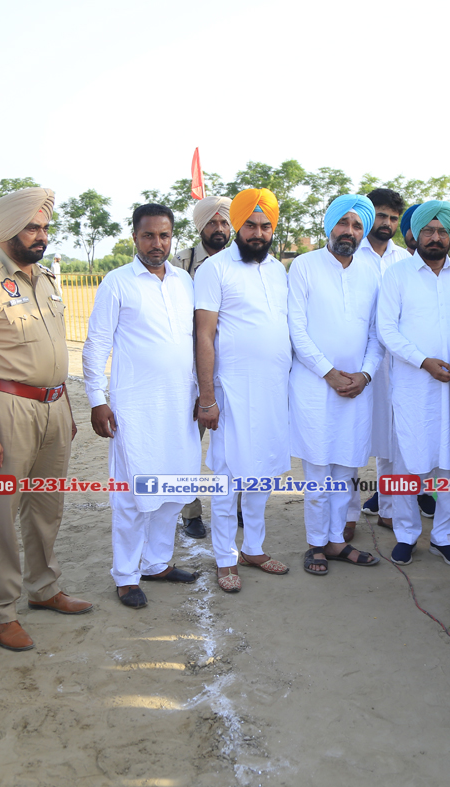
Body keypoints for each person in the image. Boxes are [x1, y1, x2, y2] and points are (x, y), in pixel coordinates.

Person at [0, 187, 93, 652]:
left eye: (45, 228)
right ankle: (1, 611)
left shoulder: (48, 278)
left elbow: (54, 353)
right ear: (7, 231)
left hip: (55, 405)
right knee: (1, 513)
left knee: (46, 506)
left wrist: (66, 409)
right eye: (32, 228)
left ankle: (44, 587)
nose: (42, 236)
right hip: (7, 408)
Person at [83, 203, 202, 609]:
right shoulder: (117, 282)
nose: (157, 243)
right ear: (134, 237)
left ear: (172, 237)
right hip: (135, 410)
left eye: (164, 235)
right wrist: (98, 400)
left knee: (173, 490)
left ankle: (156, 564)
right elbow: (97, 344)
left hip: (179, 405)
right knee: (133, 496)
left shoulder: (185, 281)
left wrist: (202, 393)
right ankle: (126, 576)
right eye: (148, 235)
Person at [377, 201, 450, 567]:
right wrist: (423, 361)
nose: (435, 237)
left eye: (442, 231)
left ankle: (443, 537)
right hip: (414, 387)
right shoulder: (397, 275)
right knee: (408, 461)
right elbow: (386, 329)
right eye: (428, 231)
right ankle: (406, 535)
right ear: (415, 234)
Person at [194, 188, 292, 592]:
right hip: (231, 393)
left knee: (262, 473)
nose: (258, 233)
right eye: (250, 225)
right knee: (228, 476)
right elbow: (203, 335)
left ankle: (253, 548)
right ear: (237, 225)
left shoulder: (278, 270)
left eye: (265, 226)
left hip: (273, 393)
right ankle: (224, 558)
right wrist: (207, 398)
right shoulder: (214, 269)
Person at [289, 194, 384, 574]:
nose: (349, 231)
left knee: (346, 470)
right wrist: (328, 372)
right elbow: (296, 329)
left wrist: (365, 374)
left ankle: (336, 542)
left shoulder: (372, 272)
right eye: (343, 223)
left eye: (357, 225)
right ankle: (316, 543)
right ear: (329, 225)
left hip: (357, 388)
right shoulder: (304, 266)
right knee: (317, 469)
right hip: (314, 386)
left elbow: (377, 333)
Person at [171, 195, 232, 540]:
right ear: (200, 226)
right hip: (189, 370)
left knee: (236, 443)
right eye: (212, 222)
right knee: (187, 444)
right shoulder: (181, 263)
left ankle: (237, 505)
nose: (219, 228)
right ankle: (190, 511)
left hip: (233, 368)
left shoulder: (241, 260)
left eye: (225, 222)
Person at [354, 189, 414, 535]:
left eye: (393, 218)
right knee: (352, 436)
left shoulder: (404, 259)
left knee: (394, 438)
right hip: (357, 361)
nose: (387, 223)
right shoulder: (349, 253)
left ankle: (390, 508)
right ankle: (347, 515)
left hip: (396, 362)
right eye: (381, 215)